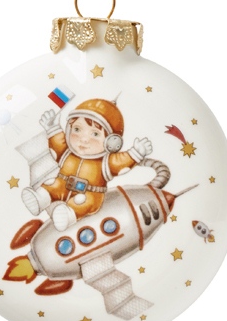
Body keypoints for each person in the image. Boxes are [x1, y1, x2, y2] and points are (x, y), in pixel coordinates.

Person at [22, 98, 152, 230]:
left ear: (111, 143)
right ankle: (40, 199)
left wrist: (136, 153)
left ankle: (68, 215)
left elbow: (120, 162)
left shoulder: (104, 163)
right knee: (52, 186)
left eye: (95, 134)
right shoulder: (67, 153)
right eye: (77, 129)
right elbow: (58, 144)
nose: (83, 139)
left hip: (89, 193)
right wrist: (53, 128)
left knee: (83, 202)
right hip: (62, 184)